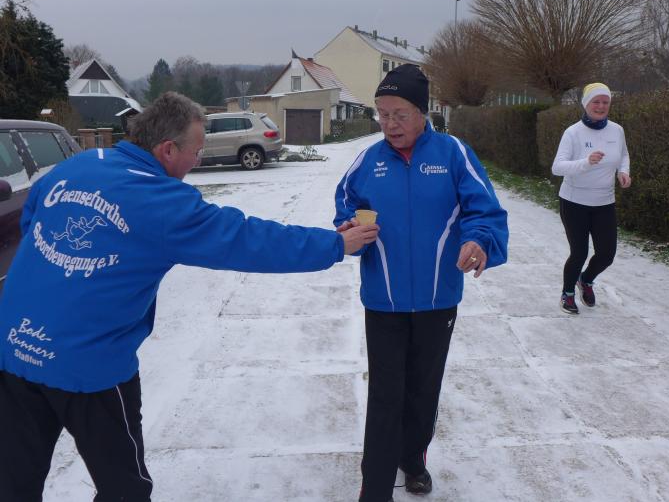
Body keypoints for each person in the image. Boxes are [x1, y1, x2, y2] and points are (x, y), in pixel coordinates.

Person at [0, 91, 379, 501]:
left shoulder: (77, 164)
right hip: (89, 365)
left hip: (14, 346)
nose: (198, 161)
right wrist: (335, 245)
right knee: (124, 488)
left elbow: (32, 219)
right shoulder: (163, 202)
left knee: (13, 482)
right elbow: (248, 240)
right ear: (167, 150)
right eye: (196, 152)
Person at [334, 64, 508, 502]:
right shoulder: (368, 161)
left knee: (423, 392)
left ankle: (412, 460)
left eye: (400, 114)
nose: (390, 124)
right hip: (384, 299)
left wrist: (479, 240)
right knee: (386, 394)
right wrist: (348, 226)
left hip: (437, 299)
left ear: (421, 112)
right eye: (382, 114)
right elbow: (344, 203)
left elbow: (484, 210)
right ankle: (375, 488)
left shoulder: (453, 154)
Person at [551, 82, 631, 314]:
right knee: (579, 253)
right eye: (596, 102)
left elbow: (623, 155)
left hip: (604, 202)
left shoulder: (617, 130)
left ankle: (585, 280)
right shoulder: (573, 133)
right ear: (586, 104)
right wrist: (586, 162)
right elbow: (557, 167)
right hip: (574, 202)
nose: (601, 106)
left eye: (605, 102)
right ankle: (567, 294)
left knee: (606, 255)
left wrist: (623, 172)